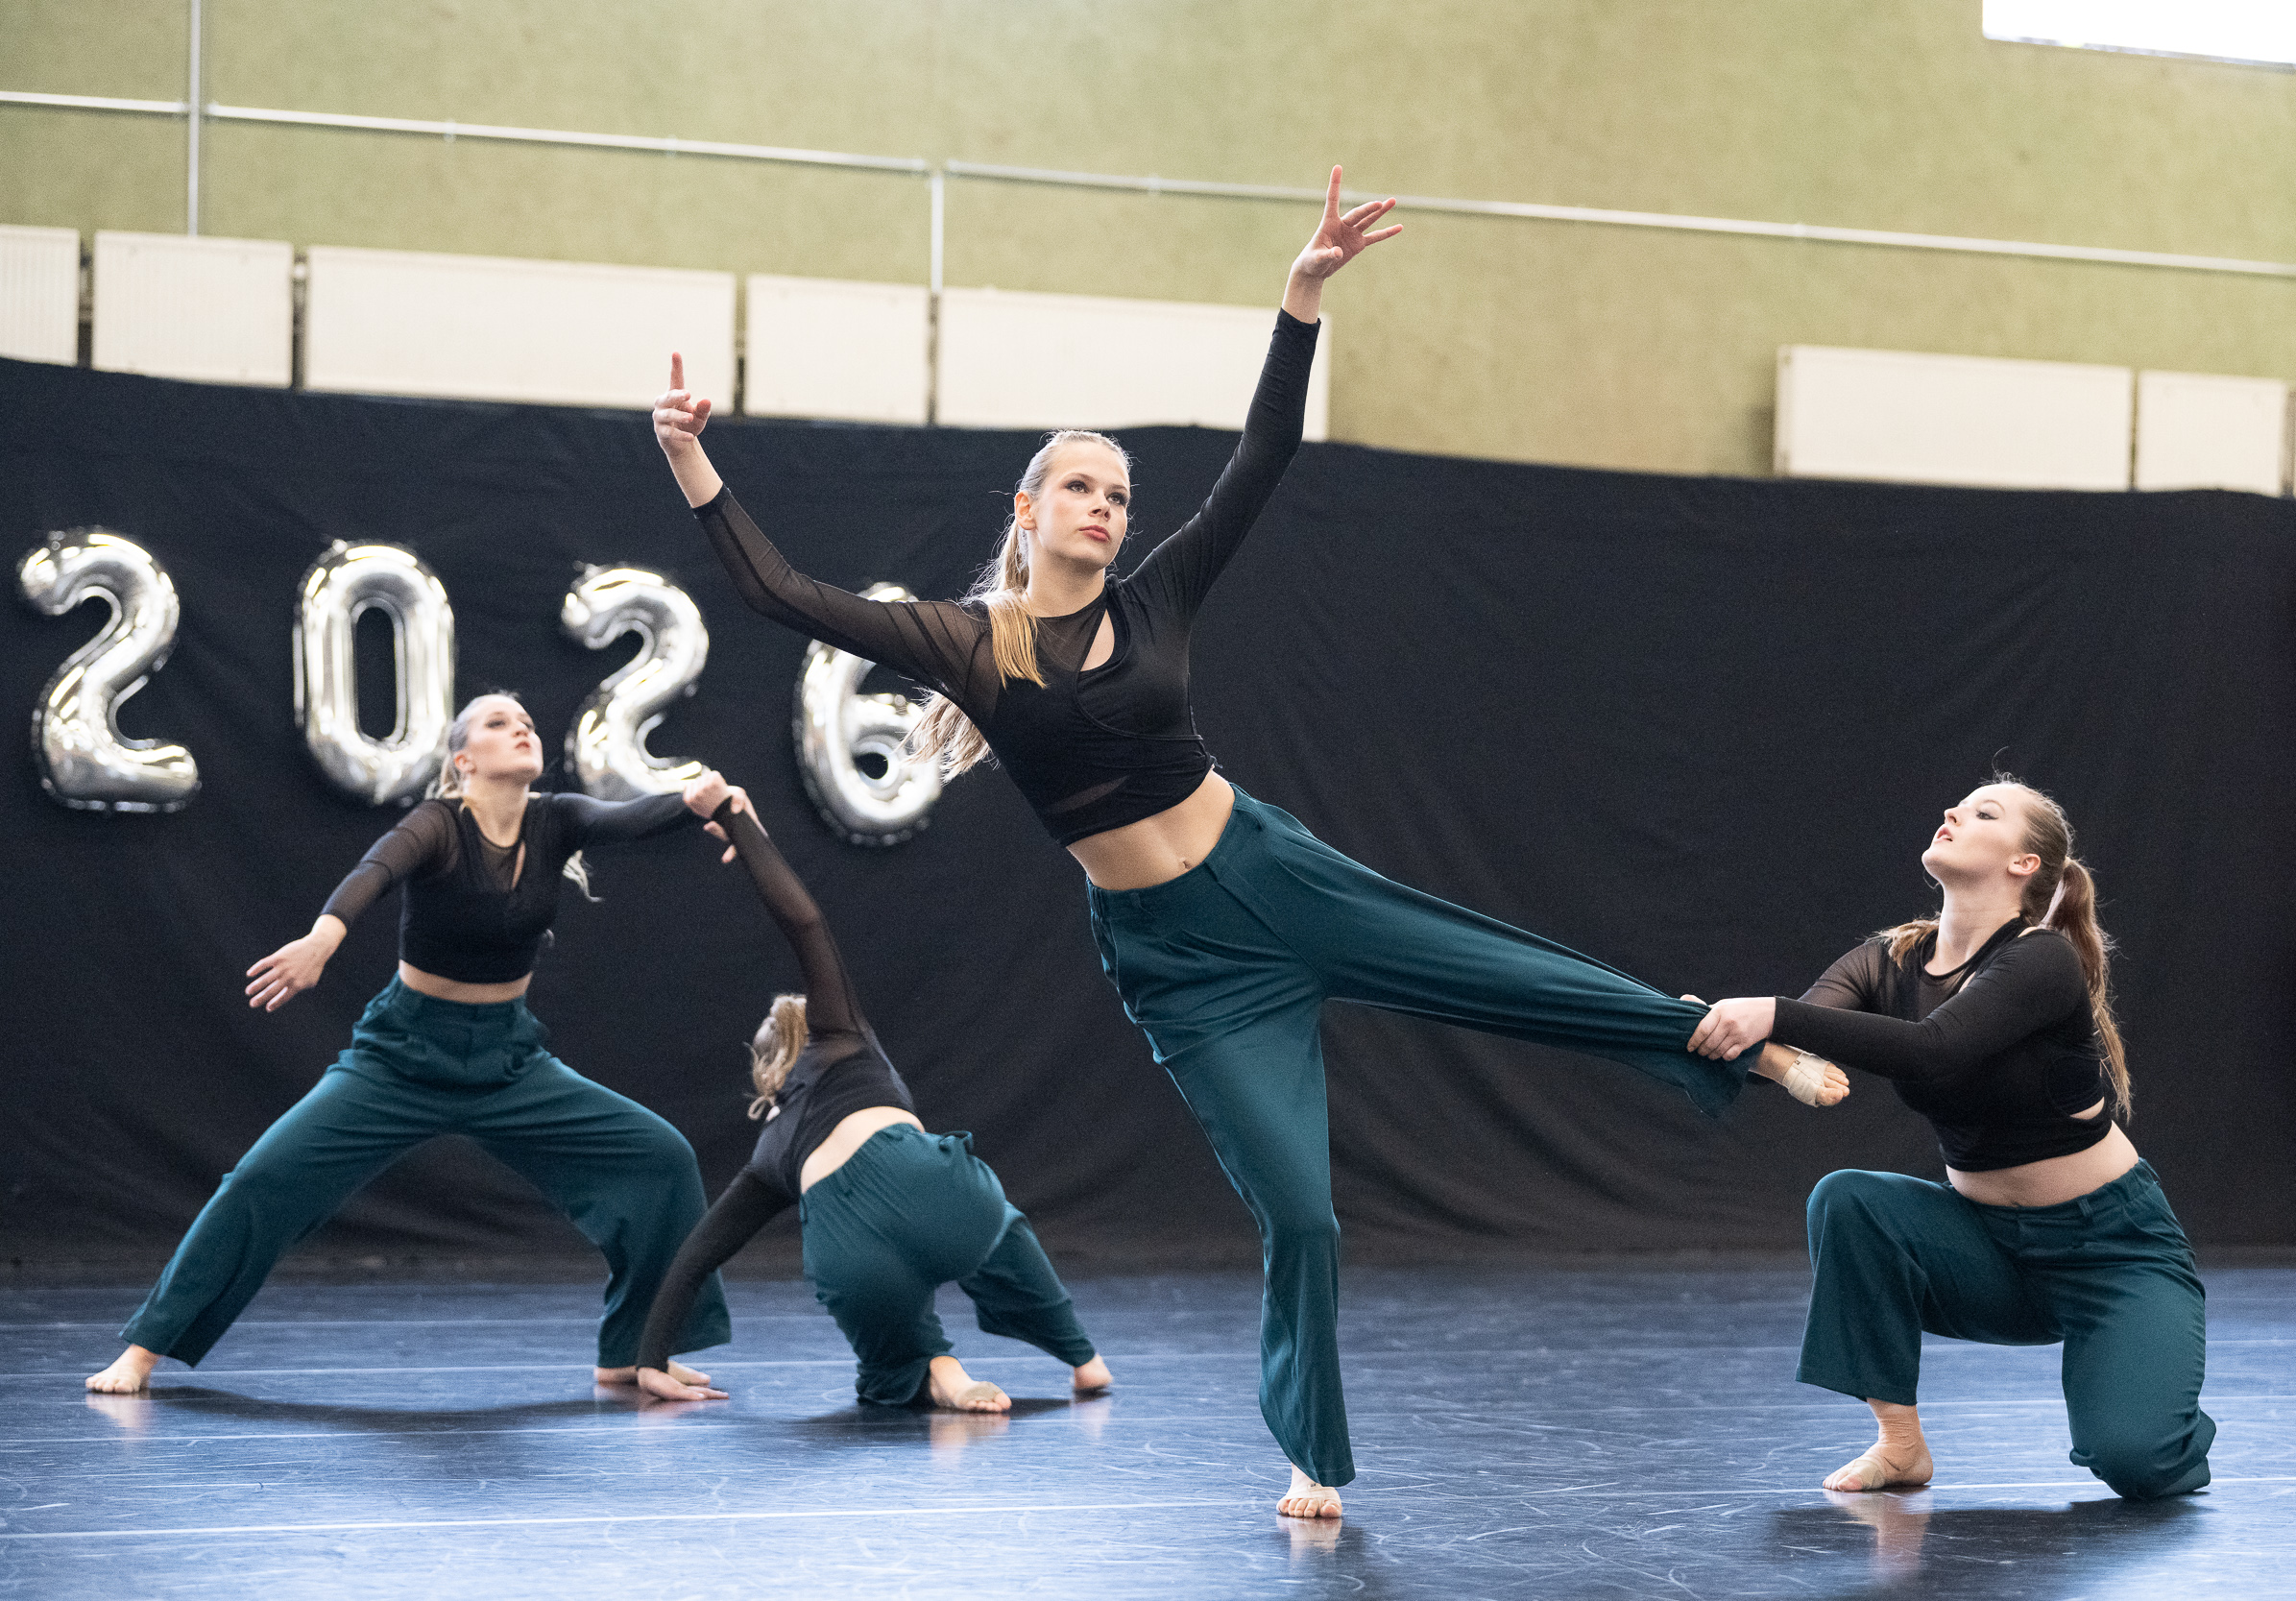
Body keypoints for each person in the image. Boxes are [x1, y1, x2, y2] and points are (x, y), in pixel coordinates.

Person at [650, 166, 1846, 1517]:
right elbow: (780, 591)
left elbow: (1263, 453)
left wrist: (1301, 295)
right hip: (1183, 964)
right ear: (1028, 511)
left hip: (1273, 875)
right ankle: (1311, 1449)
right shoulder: (971, 643)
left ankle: (1722, 1038)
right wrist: (691, 456)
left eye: (1119, 492)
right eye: (1081, 487)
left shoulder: (1157, 598)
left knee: (1499, 968)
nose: (1106, 507)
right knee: (1303, 1212)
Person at [86, 693, 735, 1395]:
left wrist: (706, 800)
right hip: (403, 1055)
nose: (521, 729)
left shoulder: (558, 820)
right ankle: (144, 1349)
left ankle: (635, 1350)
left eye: (526, 722)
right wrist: (322, 939)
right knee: (261, 1182)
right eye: (498, 724)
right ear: (463, 760)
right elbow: (375, 870)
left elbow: (634, 817)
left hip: (508, 1061)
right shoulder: (438, 824)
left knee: (659, 1157)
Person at [1687, 779, 2213, 1501]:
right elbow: (1795, 1053)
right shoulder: (1885, 961)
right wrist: (1707, 1033)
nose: (1952, 813)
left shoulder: (2042, 960)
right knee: (1849, 1200)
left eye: (1984, 812)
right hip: (1987, 1249)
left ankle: (2151, 1387)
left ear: (2025, 863)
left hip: (2112, 1252)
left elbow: (1935, 1049)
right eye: (1959, 806)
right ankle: (1900, 1444)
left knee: (2136, 1461)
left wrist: (1768, 1016)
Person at [632, 776, 1111, 1413]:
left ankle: (934, 1367)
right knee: (1000, 1234)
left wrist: (650, 1359)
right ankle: (1080, 1356)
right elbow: (804, 921)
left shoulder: (770, 1154)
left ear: (771, 1073)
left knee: (890, 1357)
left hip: (849, 1252)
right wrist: (735, 818)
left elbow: (697, 1254)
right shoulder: (841, 1037)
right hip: (931, 1190)